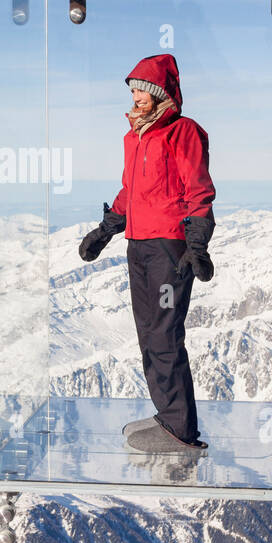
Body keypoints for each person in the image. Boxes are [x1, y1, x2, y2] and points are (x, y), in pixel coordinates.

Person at [78, 53, 216, 455]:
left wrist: (197, 241)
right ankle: (167, 415)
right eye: (133, 90)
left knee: (165, 334)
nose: (135, 96)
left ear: (158, 95)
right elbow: (129, 191)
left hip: (168, 248)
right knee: (148, 335)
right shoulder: (135, 137)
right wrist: (105, 230)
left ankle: (180, 431)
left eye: (141, 89)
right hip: (137, 246)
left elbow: (198, 188)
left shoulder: (183, 132)